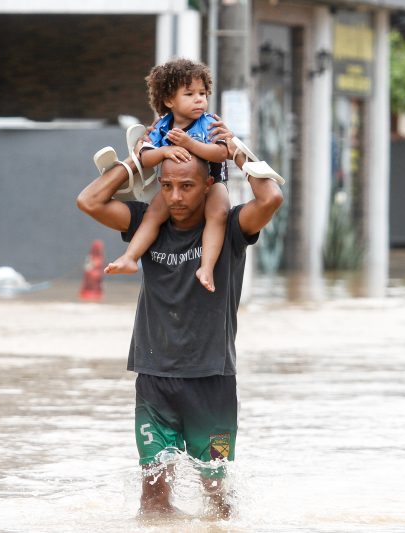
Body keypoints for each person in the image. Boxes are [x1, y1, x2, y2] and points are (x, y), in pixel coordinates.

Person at [76, 130, 284, 519]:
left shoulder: (231, 228)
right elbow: (88, 201)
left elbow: (271, 197)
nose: (175, 197)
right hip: (155, 383)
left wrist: (235, 151)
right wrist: (139, 162)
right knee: (152, 497)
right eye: (167, 186)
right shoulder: (145, 224)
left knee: (218, 494)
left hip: (214, 386)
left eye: (187, 186)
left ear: (208, 185)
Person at [104, 58, 229, 293]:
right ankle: (130, 257)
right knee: (153, 214)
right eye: (190, 93)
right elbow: (146, 157)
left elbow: (221, 153)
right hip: (176, 187)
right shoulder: (162, 126)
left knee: (219, 213)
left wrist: (190, 143)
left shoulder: (209, 123)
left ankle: (207, 267)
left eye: (202, 93)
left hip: (213, 183)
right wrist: (164, 150)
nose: (199, 99)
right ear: (169, 100)